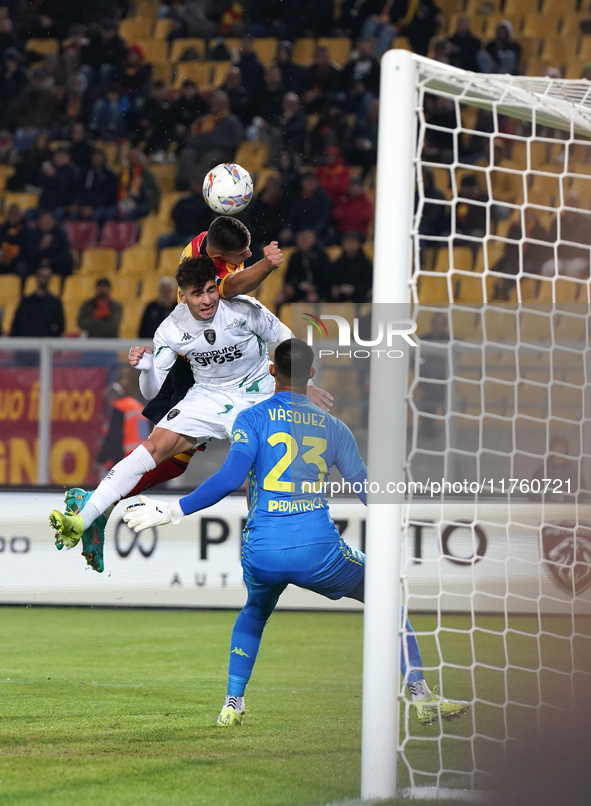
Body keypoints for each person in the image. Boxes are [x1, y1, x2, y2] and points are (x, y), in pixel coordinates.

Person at [123, 338, 469, 728]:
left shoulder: (251, 419)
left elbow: (229, 479)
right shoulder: (334, 427)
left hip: (262, 550)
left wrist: (172, 509)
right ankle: (421, 696)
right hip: (316, 551)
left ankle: (232, 703)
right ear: (312, 375)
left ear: (272, 370)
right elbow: (368, 490)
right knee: (388, 596)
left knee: (254, 613)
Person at [49, 257, 331, 562]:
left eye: (211, 290)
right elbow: (150, 391)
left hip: (258, 393)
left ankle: (268, 543)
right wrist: (146, 368)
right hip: (208, 395)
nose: (208, 299)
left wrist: (303, 386)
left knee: (264, 467)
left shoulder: (243, 309)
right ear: (183, 296)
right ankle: (84, 518)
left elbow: (285, 339)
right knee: (154, 447)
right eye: (198, 293)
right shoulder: (170, 329)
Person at [176, 90, 244, 190]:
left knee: (210, 158)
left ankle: (198, 184)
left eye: (221, 103)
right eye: (216, 102)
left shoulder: (232, 121)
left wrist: (213, 143)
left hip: (221, 151)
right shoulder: (203, 120)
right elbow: (190, 138)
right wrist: (202, 142)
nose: (218, 105)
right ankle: (190, 183)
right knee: (186, 154)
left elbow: (235, 141)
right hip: (199, 149)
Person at [95, 382, 151, 476]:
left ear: (113, 396)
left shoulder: (120, 408)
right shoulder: (137, 406)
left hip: (125, 457)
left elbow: (114, 437)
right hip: (143, 456)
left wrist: (101, 459)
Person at [275, 229, 331, 311]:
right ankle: (274, 322)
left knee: (312, 298)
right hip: (298, 288)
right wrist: (288, 286)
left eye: (307, 239)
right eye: (301, 239)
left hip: (318, 289)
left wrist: (315, 288)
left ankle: (313, 323)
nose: (304, 241)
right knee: (279, 298)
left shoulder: (322, 256)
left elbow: (327, 277)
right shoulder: (294, 256)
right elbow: (289, 275)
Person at [10, 263, 64, 338]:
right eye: (41, 276)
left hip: (45, 343)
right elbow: (16, 324)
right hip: (25, 343)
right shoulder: (26, 301)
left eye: (46, 277)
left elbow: (60, 326)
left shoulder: (55, 302)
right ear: (36, 277)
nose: (43, 279)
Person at [529, 436, 588, 503]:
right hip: (546, 510)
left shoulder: (574, 472)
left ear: (567, 449)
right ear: (551, 448)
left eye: (562, 446)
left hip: (569, 510)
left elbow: (583, 495)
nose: (560, 449)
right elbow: (532, 495)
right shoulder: (541, 471)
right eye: (557, 446)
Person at [73, 148, 118, 224]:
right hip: (85, 206)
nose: (97, 160)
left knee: (97, 215)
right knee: (73, 215)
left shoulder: (109, 175)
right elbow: (80, 190)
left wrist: (92, 207)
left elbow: (109, 194)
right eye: (95, 157)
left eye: (99, 157)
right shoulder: (85, 173)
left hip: (102, 206)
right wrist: (83, 206)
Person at [28, 211, 74, 279]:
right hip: (37, 261)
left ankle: (64, 285)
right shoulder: (33, 234)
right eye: (43, 220)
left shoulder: (60, 234)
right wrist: (41, 248)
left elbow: (64, 252)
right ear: (39, 222)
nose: (46, 223)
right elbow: (30, 253)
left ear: (54, 222)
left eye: (48, 220)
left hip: (55, 262)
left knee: (67, 261)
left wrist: (50, 259)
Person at [328, 231, 373, 302]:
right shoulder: (338, 263)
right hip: (341, 294)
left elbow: (369, 282)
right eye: (348, 243)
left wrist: (354, 289)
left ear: (359, 244)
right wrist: (337, 288)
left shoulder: (365, 263)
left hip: (360, 294)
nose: (350, 245)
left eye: (353, 242)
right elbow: (333, 279)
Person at [331, 175, 374, 241]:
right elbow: (336, 215)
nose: (353, 188)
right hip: (341, 232)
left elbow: (364, 217)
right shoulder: (342, 199)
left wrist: (345, 215)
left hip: (358, 233)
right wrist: (354, 214)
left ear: (361, 187)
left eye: (356, 186)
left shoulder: (367, 202)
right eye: (351, 186)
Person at [0, 204, 31, 280]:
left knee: (22, 266)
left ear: (20, 215)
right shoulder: (2, 229)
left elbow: (27, 250)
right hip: (3, 258)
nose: (13, 216)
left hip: (19, 259)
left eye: (15, 214)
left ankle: (21, 290)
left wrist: (11, 257)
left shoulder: (27, 230)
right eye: (11, 214)